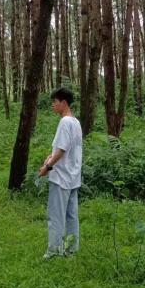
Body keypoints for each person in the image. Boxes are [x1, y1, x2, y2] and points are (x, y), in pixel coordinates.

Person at [38, 87, 83, 258]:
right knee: (72, 215)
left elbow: (62, 150)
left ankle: (54, 251)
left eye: (54, 103)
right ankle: (71, 249)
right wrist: (51, 156)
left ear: (63, 103)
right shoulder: (76, 122)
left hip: (61, 177)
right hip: (73, 176)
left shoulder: (65, 122)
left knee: (56, 216)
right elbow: (67, 148)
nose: (52, 106)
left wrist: (47, 167)